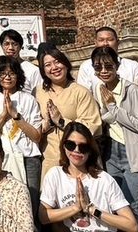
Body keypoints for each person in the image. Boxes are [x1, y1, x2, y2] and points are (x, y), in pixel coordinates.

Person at [91, 47, 138, 229]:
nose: (103, 71)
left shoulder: (132, 89)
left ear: (117, 66)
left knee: (133, 216)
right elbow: (107, 118)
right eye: (98, 67)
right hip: (112, 153)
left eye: (108, 66)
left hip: (135, 154)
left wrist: (113, 107)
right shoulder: (99, 89)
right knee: (114, 210)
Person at [39, 123, 138, 232]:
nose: (76, 150)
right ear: (63, 146)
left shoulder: (104, 180)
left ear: (90, 150)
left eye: (83, 147)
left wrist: (92, 210)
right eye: (70, 145)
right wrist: (75, 208)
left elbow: (132, 226)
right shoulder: (55, 175)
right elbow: (43, 217)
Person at [35, 45, 102, 179]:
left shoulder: (80, 92)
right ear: (43, 71)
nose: (54, 67)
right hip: (49, 157)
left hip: (77, 158)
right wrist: (43, 126)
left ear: (65, 64)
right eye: (48, 65)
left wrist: (61, 121)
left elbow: (93, 127)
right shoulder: (38, 92)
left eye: (57, 61)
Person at [0, 56, 43, 209]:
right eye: (2, 73)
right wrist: (4, 115)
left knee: (31, 205)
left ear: (18, 75)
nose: (7, 77)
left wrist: (15, 116)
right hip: (1, 160)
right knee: (6, 205)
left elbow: (36, 136)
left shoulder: (28, 99)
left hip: (28, 159)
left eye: (11, 73)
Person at [75, 27, 138, 95]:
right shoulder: (86, 66)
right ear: (95, 43)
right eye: (101, 40)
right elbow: (85, 95)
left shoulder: (133, 66)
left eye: (110, 39)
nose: (105, 43)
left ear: (118, 42)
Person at [0, 30, 41, 96]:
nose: (10, 48)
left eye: (15, 44)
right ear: (2, 46)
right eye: (6, 44)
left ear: (20, 47)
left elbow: (39, 95)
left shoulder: (33, 70)